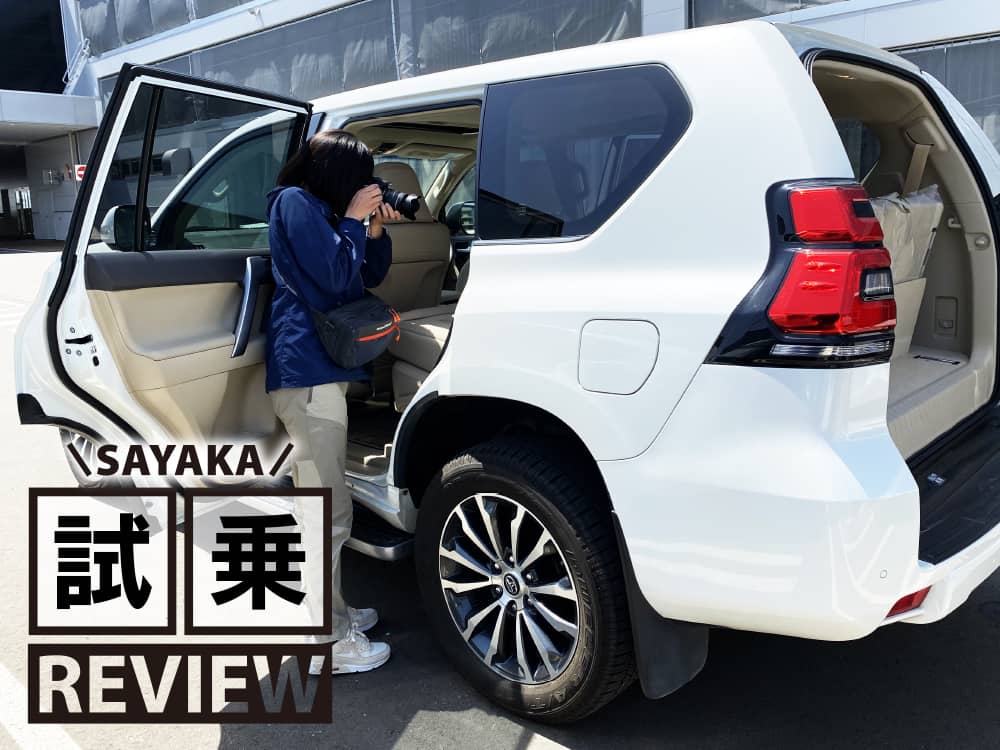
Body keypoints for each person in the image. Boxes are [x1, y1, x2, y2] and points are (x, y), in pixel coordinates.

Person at [265, 130, 398, 674]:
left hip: (321, 373)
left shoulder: (321, 210)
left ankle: (334, 613)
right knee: (327, 513)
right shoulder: (295, 203)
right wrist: (352, 219)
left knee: (329, 506)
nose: (367, 186)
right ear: (337, 175)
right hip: (306, 373)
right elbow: (337, 276)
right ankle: (329, 641)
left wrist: (373, 228)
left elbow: (366, 274)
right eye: (360, 178)